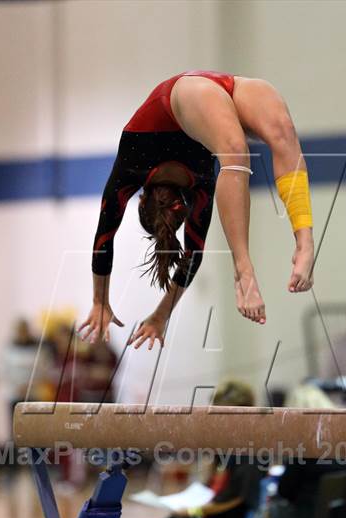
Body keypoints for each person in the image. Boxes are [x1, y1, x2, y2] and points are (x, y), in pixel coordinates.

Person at [79, 71, 314, 348]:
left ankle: (244, 270)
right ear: (142, 199)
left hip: (181, 98)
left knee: (236, 151)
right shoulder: (195, 186)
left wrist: (106, 303)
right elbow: (104, 237)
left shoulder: (137, 166)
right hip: (229, 88)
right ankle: (305, 241)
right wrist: (106, 301)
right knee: (282, 131)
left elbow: (191, 255)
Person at [131, 379, 266, 518]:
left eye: (222, 412)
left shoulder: (249, 449)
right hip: (214, 517)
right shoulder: (229, 444)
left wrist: (194, 510)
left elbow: (236, 498)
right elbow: (216, 486)